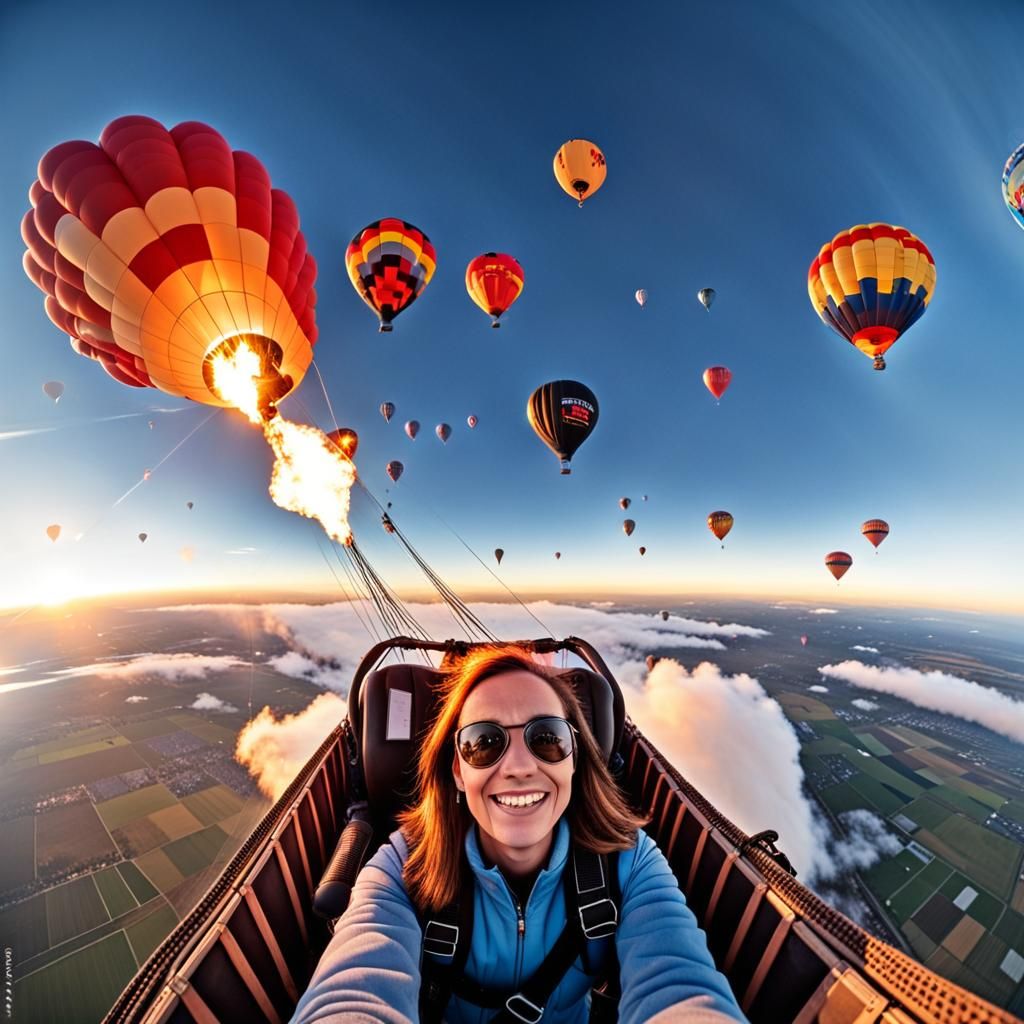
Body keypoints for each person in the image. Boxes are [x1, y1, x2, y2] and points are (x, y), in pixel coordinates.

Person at [292, 645, 747, 1023]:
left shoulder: (627, 862)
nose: (518, 766)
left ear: (575, 758)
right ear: (456, 770)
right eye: (483, 743)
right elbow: (353, 991)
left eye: (546, 738)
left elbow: (680, 985)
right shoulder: (404, 867)